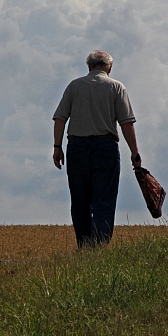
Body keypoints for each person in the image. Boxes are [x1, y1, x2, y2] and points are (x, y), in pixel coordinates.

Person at [53, 50, 141, 248]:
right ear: (110, 67)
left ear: (89, 66)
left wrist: (57, 147)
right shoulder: (117, 87)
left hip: (76, 147)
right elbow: (126, 123)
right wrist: (134, 152)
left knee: (80, 201)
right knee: (104, 201)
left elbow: (60, 119)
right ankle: (99, 247)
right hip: (106, 147)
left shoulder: (74, 86)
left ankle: (84, 247)